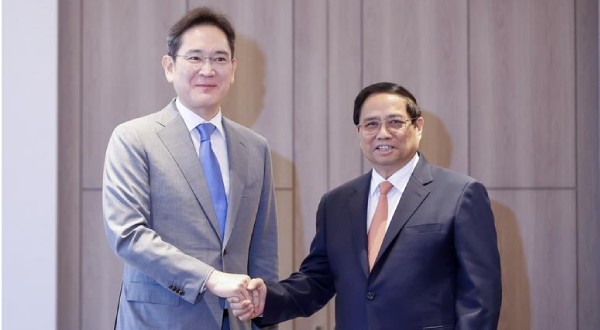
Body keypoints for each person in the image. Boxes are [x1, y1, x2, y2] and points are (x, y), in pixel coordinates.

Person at [232, 82, 502, 330]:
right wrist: (267, 299)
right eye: (371, 124)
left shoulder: (461, 194)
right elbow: (317, 281)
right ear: (359, 132)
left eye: (395, 122)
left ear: (418, 126)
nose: (382, 133)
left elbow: (480, 298)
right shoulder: (336, 203)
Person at [102, 7, 278, 330]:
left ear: (234, 69)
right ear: (169, 67)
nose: (208, 70)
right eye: (195, 58)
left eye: (220, 58)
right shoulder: (133, 139)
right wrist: (210, 278)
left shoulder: (255, 148)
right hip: (158, 321)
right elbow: (128, 234)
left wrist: (264, 314)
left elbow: (263, 252)